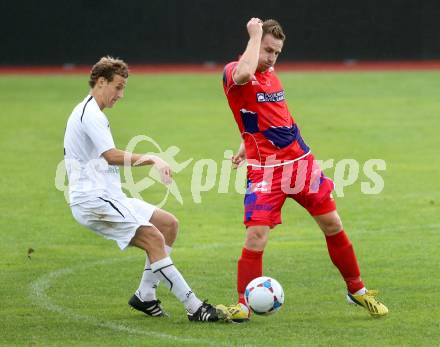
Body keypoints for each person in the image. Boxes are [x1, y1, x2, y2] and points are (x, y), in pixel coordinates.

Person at [219, 18, 388, 322]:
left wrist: (247, 141)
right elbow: (245, 72)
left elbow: (274, 116)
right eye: (267, 50)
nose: (271, 58)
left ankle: (357, 290)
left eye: (277, 53)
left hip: (300, 164)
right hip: (266, 172)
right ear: (254, 44)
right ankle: (243, 304)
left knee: (333, 224)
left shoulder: (271, 75)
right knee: (256, 236)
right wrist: (255, 34)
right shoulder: (234, 72)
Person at [64, 56, 229, 322]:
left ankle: (145, 295)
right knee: (153, 238)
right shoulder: (90, 114)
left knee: (168, 225)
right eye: (118, 87)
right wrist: (151, 158)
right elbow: (111, 155)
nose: (121, 94)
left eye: (123, 88)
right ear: (100, 81)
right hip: (92, 200)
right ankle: (195, 307)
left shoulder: (92, 112)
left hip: (109, 196)